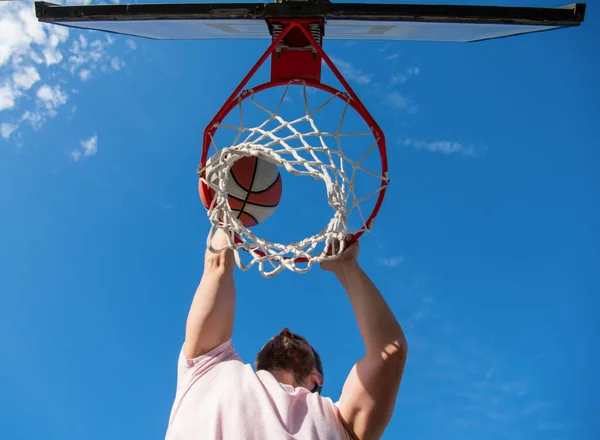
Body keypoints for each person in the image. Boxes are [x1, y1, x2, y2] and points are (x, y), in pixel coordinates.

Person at [165, 229, 408, 440]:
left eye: (300, 340)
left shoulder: (341, 422)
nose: (285, 331)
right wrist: (228, 210)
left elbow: (389, 351)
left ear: (317, 378)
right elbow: (217, 266)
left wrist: (346, 266)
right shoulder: (209, 365)